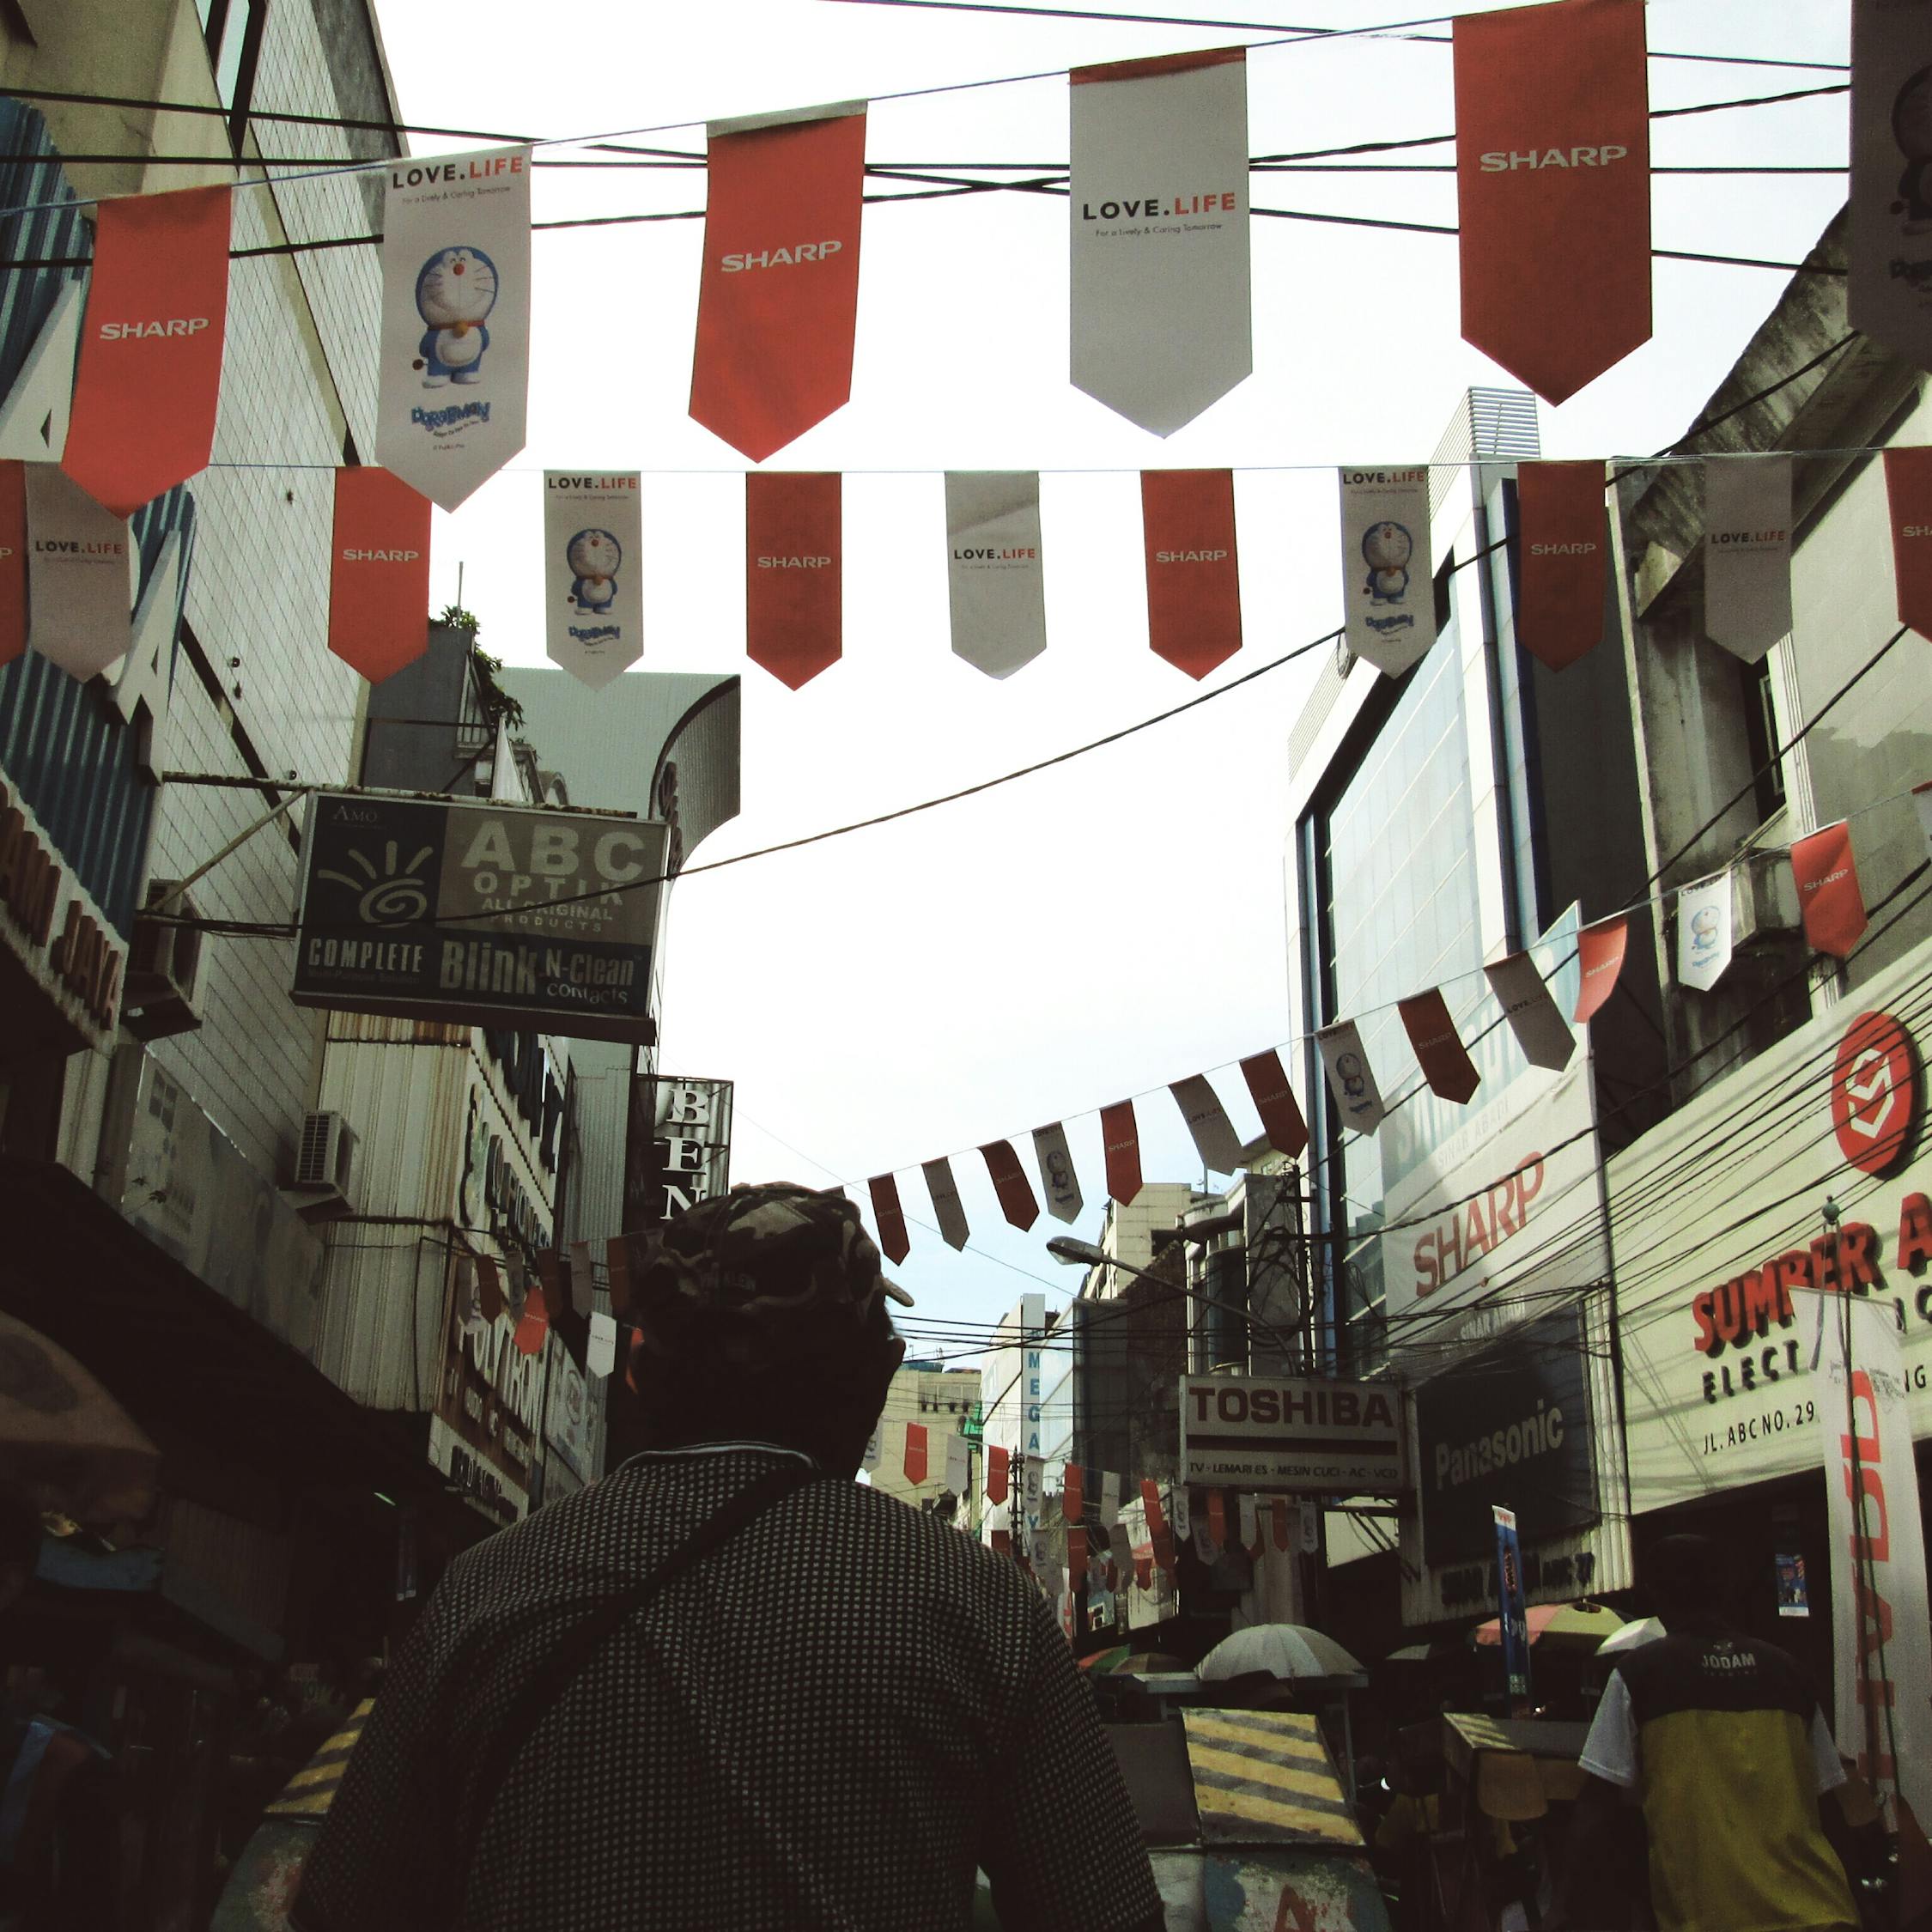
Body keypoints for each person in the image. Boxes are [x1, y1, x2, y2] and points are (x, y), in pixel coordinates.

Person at [294, 1183, 1163, 1932]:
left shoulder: (489, 1587)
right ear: (876, 1381)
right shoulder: (980, 1606)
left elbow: (341, 1904)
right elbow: (1103, 1911)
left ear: (641, 1372)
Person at [1555, 1534, 1860, 1932]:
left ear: (1654, 1593)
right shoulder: (1788, 1673)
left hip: (1713, 1918)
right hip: (1825, 1912)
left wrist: (1562, 1913)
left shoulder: (1640, 1675)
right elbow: (1830, 1805)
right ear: (1725, 1590)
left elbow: (1595, 1809)